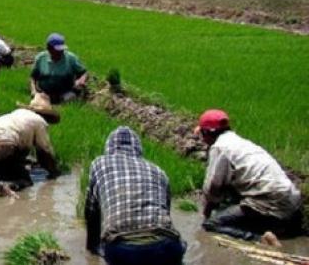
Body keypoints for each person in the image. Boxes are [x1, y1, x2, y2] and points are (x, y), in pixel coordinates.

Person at [197, 109, 302, 246]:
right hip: (292, 202)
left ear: (207, 133)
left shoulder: (220, 147)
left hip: (270, 203)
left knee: (212, 224)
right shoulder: (241, 143)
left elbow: (213, 187)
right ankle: (273, 229)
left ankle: (259, 239)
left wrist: (206, 213)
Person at [85, 126, 186, 265]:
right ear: (138, 149)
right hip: (165, 246)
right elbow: (166, 213)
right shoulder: (159, 171)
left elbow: (91, 212)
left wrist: (91, 249)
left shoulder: (99, 163)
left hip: (123, 249)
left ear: (109, 147)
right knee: (181, 246)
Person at [0, 93, 60, 196]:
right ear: (45, 115)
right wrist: (54, 172)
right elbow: (44, 153)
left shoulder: (16, 114)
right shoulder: (39, 121)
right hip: (0, 148)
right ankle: (9, 185)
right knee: (26, 180)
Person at [29, 33, 88, 103]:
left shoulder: (71, 58)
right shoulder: (41, 58)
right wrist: (33, 90)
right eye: (57, 50)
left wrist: (81, 80)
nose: (60, 52)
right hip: (44, 93)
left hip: (65, 93)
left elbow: (84, 72)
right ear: (49, 48)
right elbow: (32, 77)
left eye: (61, 49)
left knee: (70, 99)